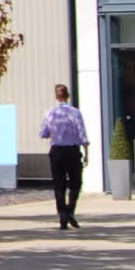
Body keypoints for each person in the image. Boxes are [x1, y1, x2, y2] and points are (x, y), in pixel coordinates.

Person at [38, 86, 89, 229]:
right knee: (76, 183)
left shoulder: (50, 113)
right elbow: (82, 134)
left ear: (56, 97)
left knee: (59, 184)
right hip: (72, 150)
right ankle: (70, 209)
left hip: (57, 151)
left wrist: (54, 132)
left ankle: (62, 213)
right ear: (68, 95)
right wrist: (86, 153)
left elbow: (43, 133)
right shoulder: (75, 112)